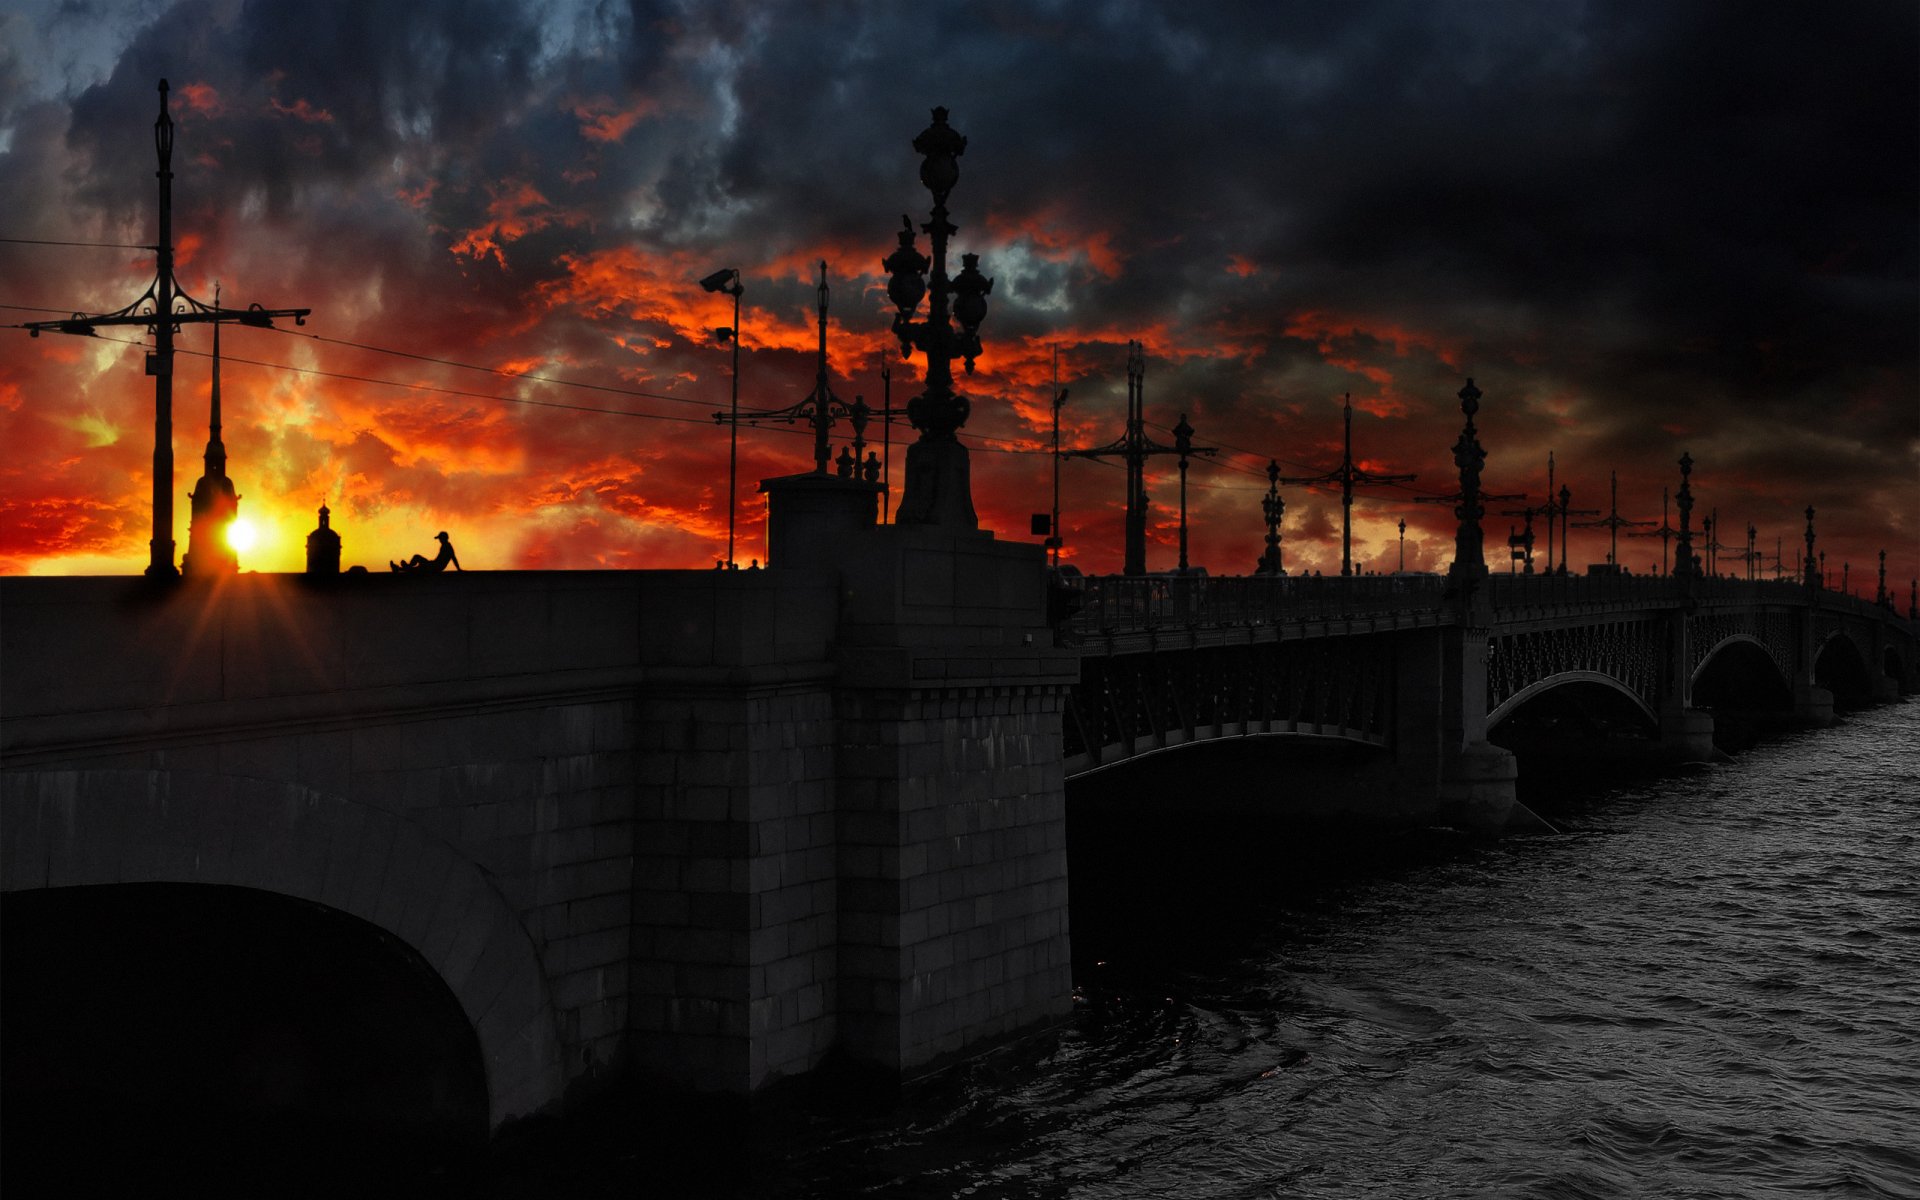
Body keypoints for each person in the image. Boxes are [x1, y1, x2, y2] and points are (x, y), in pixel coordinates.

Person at [391, 531, 461, 573]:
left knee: (417, 562)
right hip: (433, 565)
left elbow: (453, 557)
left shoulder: (447, 547)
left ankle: (404, 567)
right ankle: (399, 568)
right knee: (417, 567)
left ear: (444, 538)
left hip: (435, 567)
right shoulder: (444, 546)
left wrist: (459, 569)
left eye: (440, 538)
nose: (439, 540)